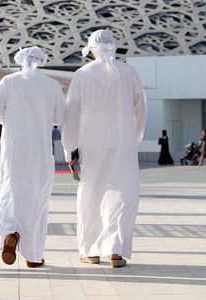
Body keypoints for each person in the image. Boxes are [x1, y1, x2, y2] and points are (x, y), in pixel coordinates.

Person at [62, 30, 147, 268]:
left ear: (90, 50)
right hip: (122, 144)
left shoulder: (82, 74)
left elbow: (72, 113)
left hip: (92, 145)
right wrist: (134, 138)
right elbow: (141, 109)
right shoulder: (129, 72)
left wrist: (70, 148)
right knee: (124, 195)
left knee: (91, 195)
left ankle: (90, 250)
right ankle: (115, 250)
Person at [0, 46, 65, 268]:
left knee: (10, 190)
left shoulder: (8, 81)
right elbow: (59, 117)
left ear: (19, 61)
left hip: (14, 145)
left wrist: (11, 121)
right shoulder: (52, 84)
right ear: (41, 61)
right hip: (40, 147)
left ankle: (11, 231)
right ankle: (33, 256)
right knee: (37, 198)